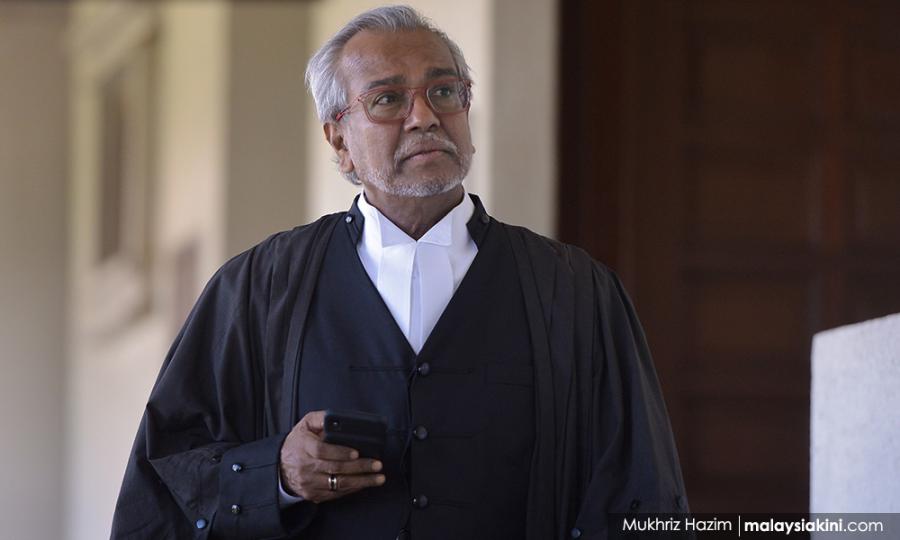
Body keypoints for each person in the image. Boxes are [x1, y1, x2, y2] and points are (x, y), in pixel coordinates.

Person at [111, 5, 688, 540]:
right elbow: (169, 475)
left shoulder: (576, 291)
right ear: (338, 138)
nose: (425, 117)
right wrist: (276, 474)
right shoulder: (258, 289)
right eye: (388, 99)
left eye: (444, 91)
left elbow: (639, 491)